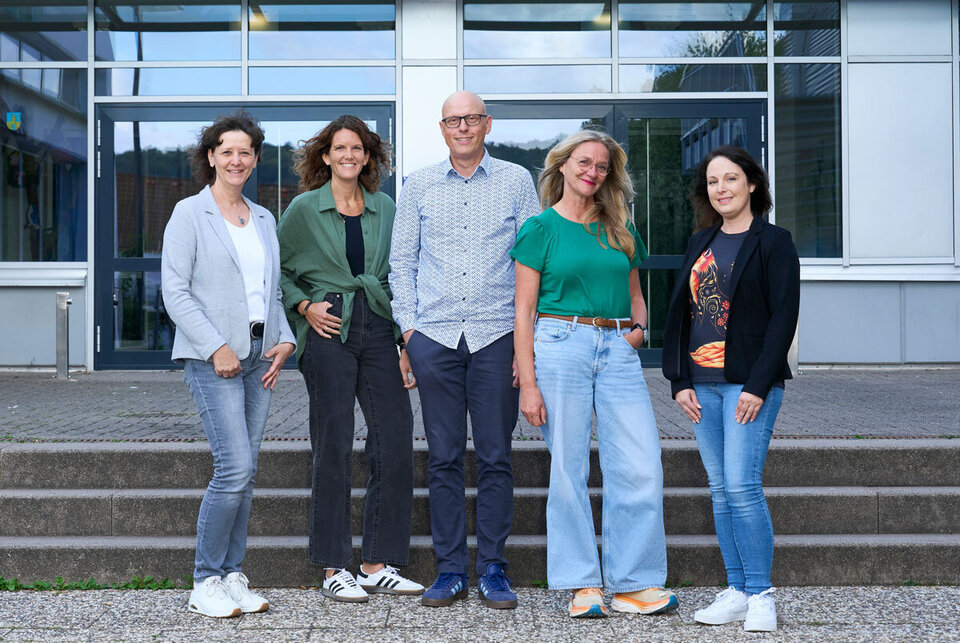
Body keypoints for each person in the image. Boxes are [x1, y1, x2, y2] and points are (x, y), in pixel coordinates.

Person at [511, 130, 677, 619]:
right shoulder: (539, 228)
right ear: (562, 165)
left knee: (641, 464)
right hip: (559, 344)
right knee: (568, 467)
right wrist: (529, 383)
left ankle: (633, 583)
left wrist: (638, 332)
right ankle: (582, 583)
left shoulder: (619, 228)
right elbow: (522, 311)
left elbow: (636, 295)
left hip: (617, 348)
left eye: (602, 166)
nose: (593, 172)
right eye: (584, 162)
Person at [389, 91, 540, 609]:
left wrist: (525, 346)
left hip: (497, 338)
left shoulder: (516, 182)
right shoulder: (418, 185)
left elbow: (532, 267)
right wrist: (410, 332)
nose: (463, 128)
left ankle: (493, 569)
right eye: (454, 120)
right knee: (444, 458)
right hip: (435, 340)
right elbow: (401, 264)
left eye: (472, 118)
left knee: (496, 457)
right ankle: (451, 569)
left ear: (487, 124)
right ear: (442, 128)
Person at [277, 115, 423, 603]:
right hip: (329, 327)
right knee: (334, 441)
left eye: (357, 148)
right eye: (339, 148)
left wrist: (404, 344)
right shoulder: (304, 209)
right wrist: (304, 306)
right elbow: (278, 271)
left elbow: (402, 276)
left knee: (394, 438)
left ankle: (377, 563)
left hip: (378, 324)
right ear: (325, 155)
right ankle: (332, 566)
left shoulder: (386, 208)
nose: (348, 155)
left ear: (368, 156)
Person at [161, 111, 296, 618]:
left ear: (255, 159)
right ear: (211, 156)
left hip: (261, 359)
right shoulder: (189, 213)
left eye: (245, 152)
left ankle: (232, 574)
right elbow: (175, 291)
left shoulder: (263, 218)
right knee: (233, 467)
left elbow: (272, 292)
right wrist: (216, 345)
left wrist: (285, 340)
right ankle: (205, 581)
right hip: (211, 359)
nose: (236, 160)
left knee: (248, 471)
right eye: (227, 151)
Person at [662, 145, 800, 633]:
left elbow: (783, 318)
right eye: (713, 181)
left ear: (752, 184)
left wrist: (758, 385)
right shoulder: (700, 241)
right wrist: (679, 379)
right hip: (702, 386)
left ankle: (761, 594)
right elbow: (680, 313)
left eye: (731, 178)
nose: (721, 188)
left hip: (748, 384)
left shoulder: (774, 242)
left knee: (742, 487)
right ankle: (737, 590)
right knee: (720, 491)